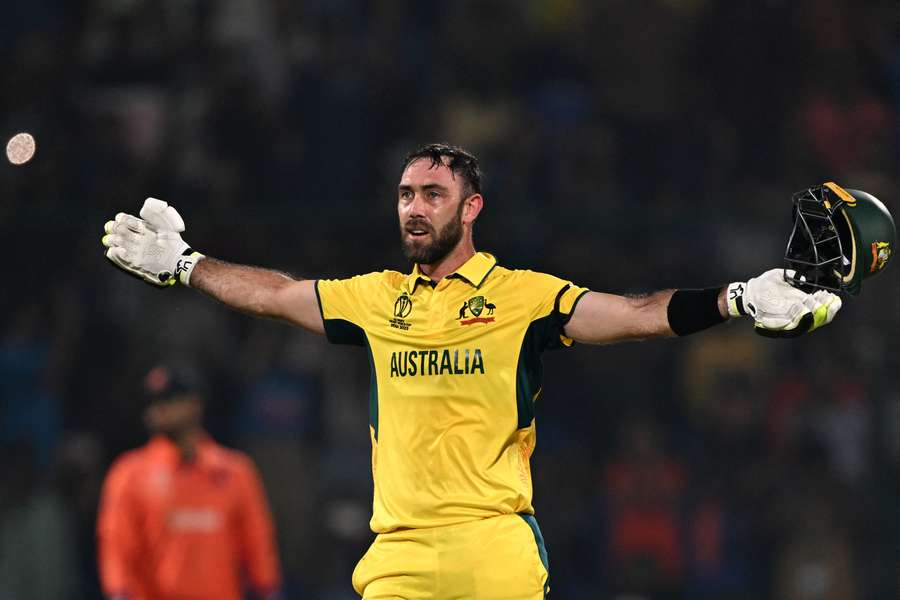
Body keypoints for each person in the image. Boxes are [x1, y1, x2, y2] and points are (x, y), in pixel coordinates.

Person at [100, 144, 867, 599]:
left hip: (493, 547)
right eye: (406, 194)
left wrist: (737, 298)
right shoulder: (374, 300)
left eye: (432, 194)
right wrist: (187, 266)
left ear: (472, 209)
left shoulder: (522, 297)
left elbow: (635, 311)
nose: (414, 208)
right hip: (396, 555)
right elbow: (276, 294)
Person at [96, 364, 282, 600]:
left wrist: (268, 590)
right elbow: (116, 550)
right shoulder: (130, 474)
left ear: (195, 403)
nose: (157, 408)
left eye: (169, 399)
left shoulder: (235, 472)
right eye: (152, 401)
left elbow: (259, 544)